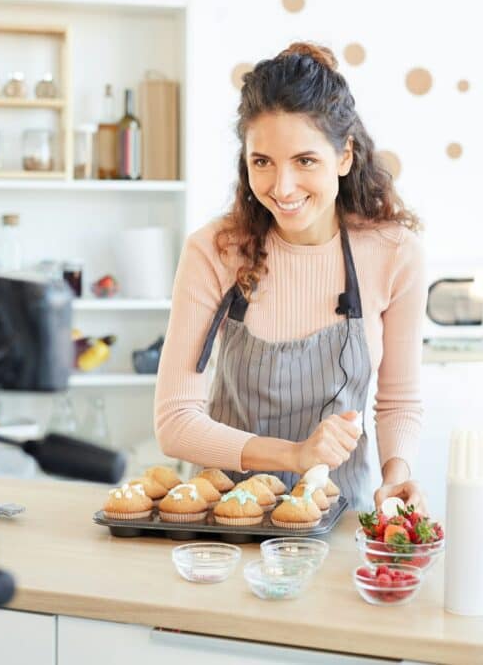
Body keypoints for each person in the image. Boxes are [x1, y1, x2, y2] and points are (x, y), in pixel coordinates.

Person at [153, 42, 428, 513]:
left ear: (344, 157)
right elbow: (175, 421)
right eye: (262, 162)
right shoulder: (214, 251)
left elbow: (398, 399)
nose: (281, 188)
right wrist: (295, 455)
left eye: (305, 161)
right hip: (224, 521)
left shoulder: (393, 253)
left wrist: (397, 474)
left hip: (338, 516)